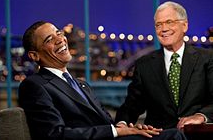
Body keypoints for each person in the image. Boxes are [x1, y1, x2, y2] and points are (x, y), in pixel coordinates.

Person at [18, 21, 187, 140]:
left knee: (169, 134)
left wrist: (130, 129)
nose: (60, 39)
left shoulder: (82, 85)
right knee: (174, 136)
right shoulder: (34, 85)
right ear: (35, 56)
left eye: (59, 33)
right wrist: (116, 132)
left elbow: (108, 124)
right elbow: (55, 135)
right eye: (49, 40)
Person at [115, 1, 213, 131]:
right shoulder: (144, 65)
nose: (164, 29)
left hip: (196, 134)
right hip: (159, 135)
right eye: (158, 25)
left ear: (185, 26)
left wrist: (201, 116)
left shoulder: (207, 58)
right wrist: (122, 124)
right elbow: (131, 106)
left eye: (169, 22)